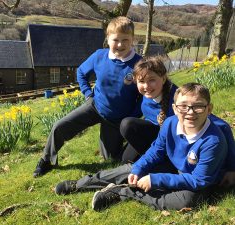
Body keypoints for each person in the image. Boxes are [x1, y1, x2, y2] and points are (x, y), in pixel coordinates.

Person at [55, 83, 231, 211]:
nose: (190, 112)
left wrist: (155, 179)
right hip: (174, 168)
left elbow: (198, 180)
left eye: (198, 107)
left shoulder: (213, 141)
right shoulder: (170, 123)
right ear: (175, 109)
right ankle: (81, 184)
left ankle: (124, 193)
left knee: (190, 200)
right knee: (133, 168)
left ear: (209, 109)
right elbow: (155, 151)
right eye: (183, 106)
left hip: (198, 181)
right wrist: (139, 169)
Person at [33, 16, 142, 177]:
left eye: (125, 39)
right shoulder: (99, 56)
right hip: (95, 106)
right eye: (115, 39)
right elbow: (81, 72)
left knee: (111, 159)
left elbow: (145, 96)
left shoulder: (140, 64)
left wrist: (132, 115)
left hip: (116, 119)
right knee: (59, 127)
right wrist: (87, 94)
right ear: (108, 39)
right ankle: (46, 160)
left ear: (133, 39)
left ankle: (118, 143)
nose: (120, 44)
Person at [119, 56, 177, 163]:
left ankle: (158, 162)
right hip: (153, 131)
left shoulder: (178, 100)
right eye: (141, 81)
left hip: (170, 141)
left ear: (163, 78)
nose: (146, 86)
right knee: (125, 160)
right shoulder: (148, 95)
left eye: (152, 80)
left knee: (127, 124)